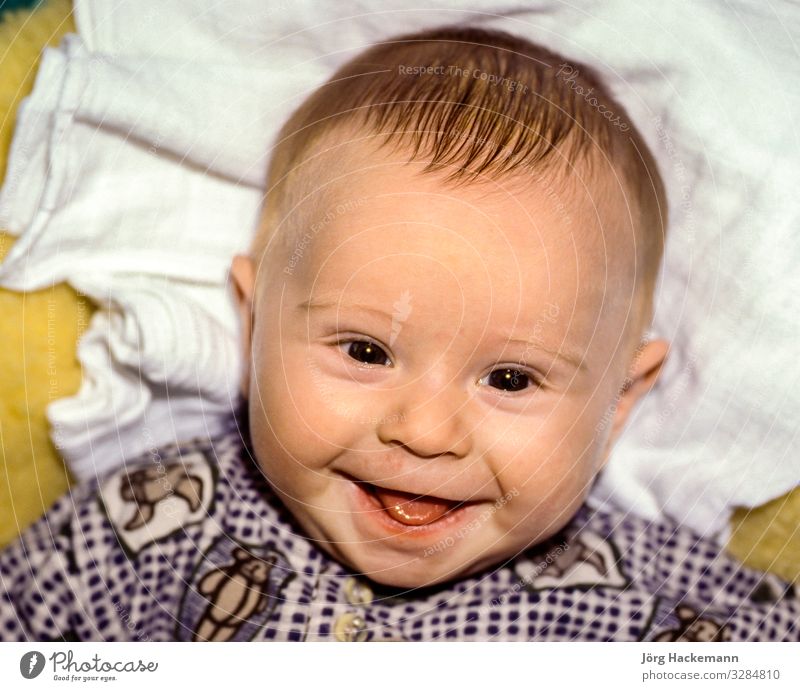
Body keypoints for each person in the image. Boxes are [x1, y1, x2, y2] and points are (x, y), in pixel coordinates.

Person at [1, 26, 797, 642]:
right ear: (254, 326)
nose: (423, 432)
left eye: (511, 379)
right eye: (366, 351)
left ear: (620, 398)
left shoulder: (656, 597)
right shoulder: (153, 525)